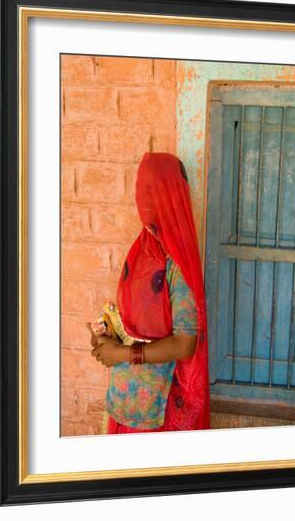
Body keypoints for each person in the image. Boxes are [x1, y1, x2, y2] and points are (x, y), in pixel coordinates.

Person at [89, 151, 210, 433]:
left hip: (161, 406)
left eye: (151, 190)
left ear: (171, 195)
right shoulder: (142, 249)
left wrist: (122, 354)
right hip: (127, 396)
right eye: (140, 188)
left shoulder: (178, 264)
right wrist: (108, 333)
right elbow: (135, 319)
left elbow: (184, 344)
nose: (142, 198)